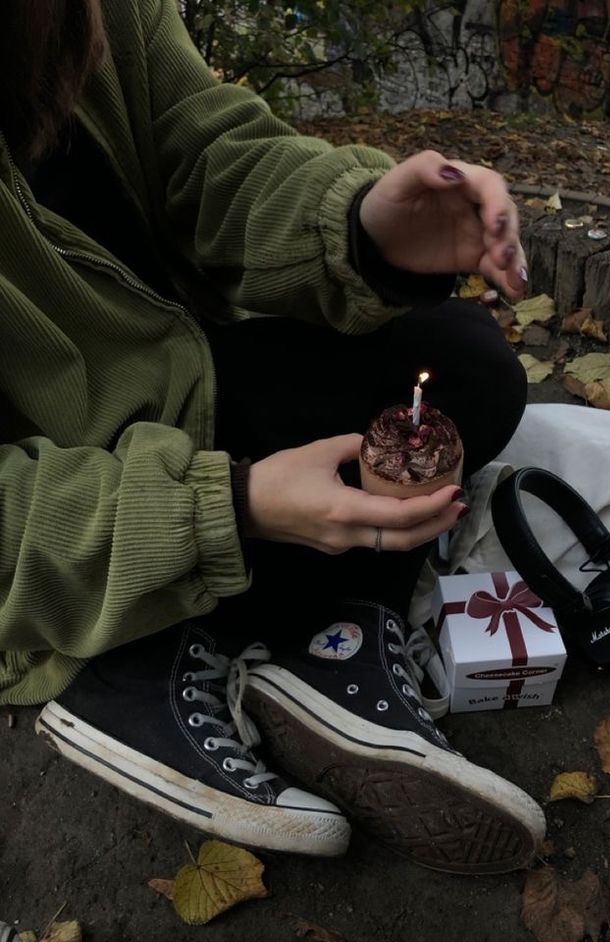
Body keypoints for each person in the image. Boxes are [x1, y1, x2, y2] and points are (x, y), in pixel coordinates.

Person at [1, 0, 544, 874]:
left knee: (465, 367)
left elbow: (207, 153)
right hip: (58, 519)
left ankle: (324, 646)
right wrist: (231, 508)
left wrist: (362, 226)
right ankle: (116, 671)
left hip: (184, 382)